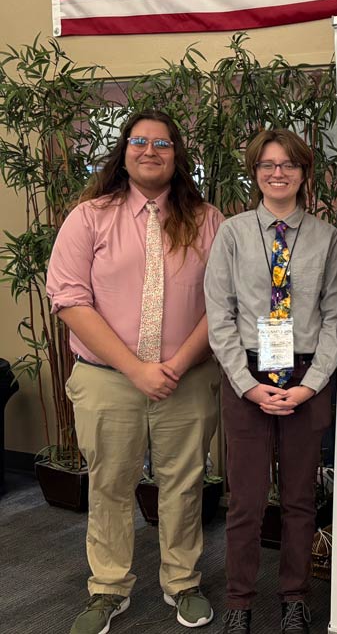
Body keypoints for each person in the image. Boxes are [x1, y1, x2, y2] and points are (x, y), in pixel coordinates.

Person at [47, 110, 224, 634]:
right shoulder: (89, 217)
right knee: (110, 485)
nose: (150, 150)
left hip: (186, 377)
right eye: (140, 141)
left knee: (184, 484)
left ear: (177, 155)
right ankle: (108, 589)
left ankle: (183, 581)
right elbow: (69, 300)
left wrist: (173, 364)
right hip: (107, 378)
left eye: (163, 143)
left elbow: (224, 300)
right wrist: (136, 369)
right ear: (123, 151)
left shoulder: (206, 219)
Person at [204, 129, 337, 634]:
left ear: (304, 173)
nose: (277, 172)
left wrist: (312, 384)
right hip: (248, 374)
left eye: (288, 164)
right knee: (246, 499)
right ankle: (239, 600)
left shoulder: (326, 238)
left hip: (306, 376)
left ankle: (293, 598)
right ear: (254, 171)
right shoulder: (233, 234)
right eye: (267, 164)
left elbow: (335, 317)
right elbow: (220, 316)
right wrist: (247, 384)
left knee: (301, 498)